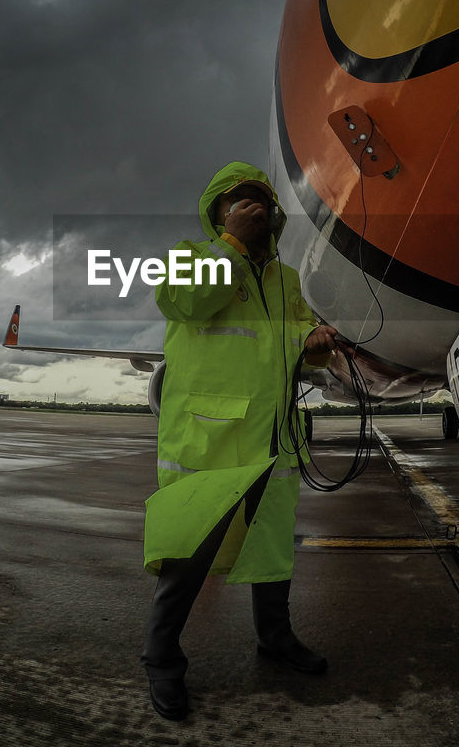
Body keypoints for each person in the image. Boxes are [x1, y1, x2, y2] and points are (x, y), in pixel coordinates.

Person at [140, 161, 338, 721]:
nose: (253, 208)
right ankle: (160, 659)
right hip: (211, 443)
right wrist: (231, 246)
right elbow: (181, 303)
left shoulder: (288, 281)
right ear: (218, 214)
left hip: (274, 442)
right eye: (239, 201)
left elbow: (296, 345)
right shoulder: (193, 257)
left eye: (261, 201)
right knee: (189, 557)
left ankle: (275, 638)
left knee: (274, 550)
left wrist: (316, 341)